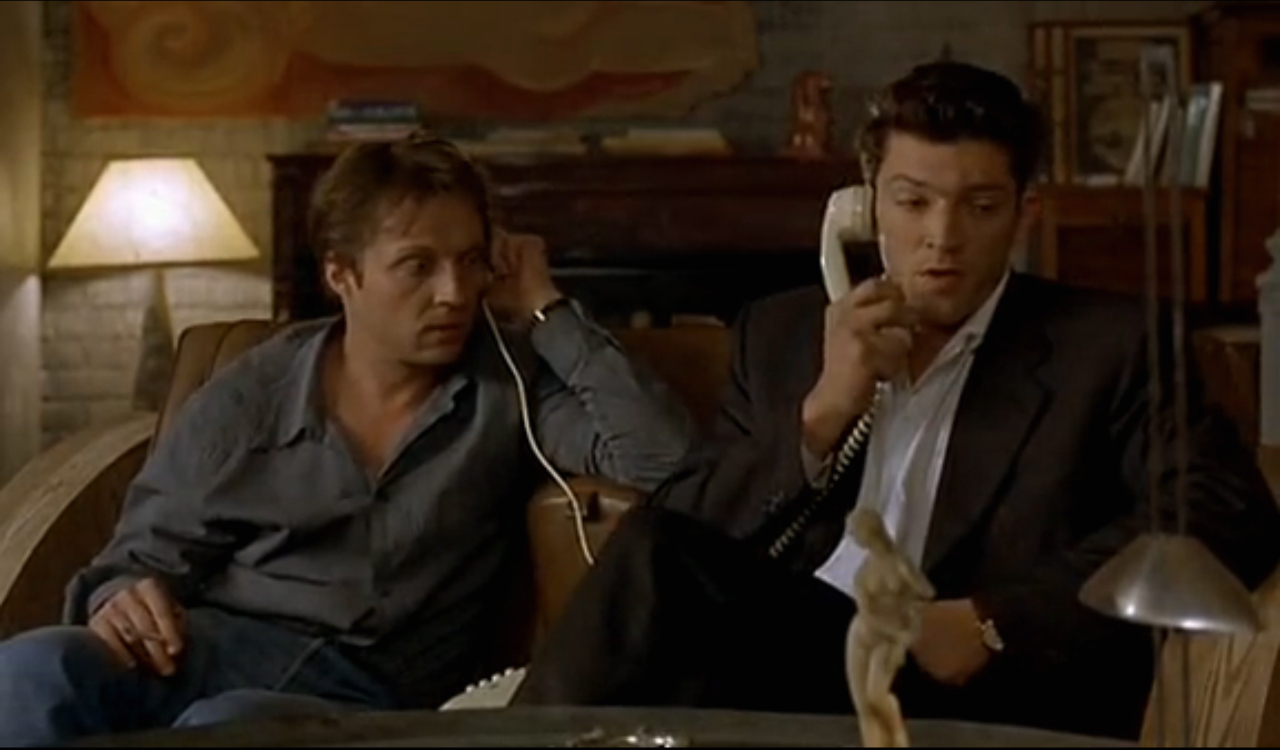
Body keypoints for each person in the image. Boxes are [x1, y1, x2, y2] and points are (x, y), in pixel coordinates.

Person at [511, 61, 1280, 740]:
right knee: (653, 559)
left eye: (980, 206)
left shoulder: (1108, 345)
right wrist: (822, 414)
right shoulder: (781, 334)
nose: (943, 237)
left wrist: (994, 620)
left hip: (970, 688)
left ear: (1025, 214)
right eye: (913, 203)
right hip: (790, 667)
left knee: (652, 569)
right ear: (866, 205)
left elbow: (1225, 510)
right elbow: (689, 530)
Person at [0, 133, 696, 746]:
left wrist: (546, 306)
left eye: (469, 260)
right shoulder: (254, 392)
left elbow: (668, 461)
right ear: (342, 275)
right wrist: (121, 595)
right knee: (29, 669)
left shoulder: (509, 382)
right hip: (205, 650)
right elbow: (136, 559)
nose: (454, 292)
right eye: (418, 265)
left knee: (229, 727)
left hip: (362, 695)